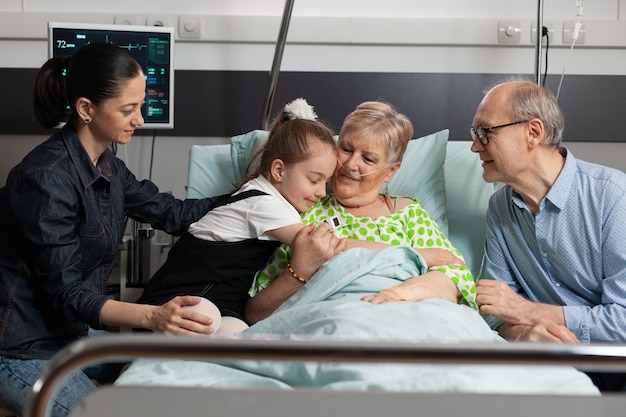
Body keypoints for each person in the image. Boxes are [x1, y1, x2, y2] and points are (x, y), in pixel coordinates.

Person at [0, 42, 233, 417]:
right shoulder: (44, 179)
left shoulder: (108, 164)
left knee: (170, 367)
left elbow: (173, 213)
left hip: (69, 333)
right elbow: (66, 293)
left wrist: (253, 194)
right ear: (86, 109)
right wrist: (154, 317)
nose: (139, 119)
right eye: (128, 109)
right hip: (21, 346)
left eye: (140, 106)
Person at [246, 100, 477, 324]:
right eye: (345, 149)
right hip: (326, 321)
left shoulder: (408, 213)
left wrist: (400, 293)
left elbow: (456, 278)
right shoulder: (303, 210)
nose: (351, 163)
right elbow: (256, 313)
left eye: (368, 158)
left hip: (404, 319)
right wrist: (299, 272)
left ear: (391, 171)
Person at [471, 78, 626, 392]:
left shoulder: (613, 197)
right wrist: (525, 335)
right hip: (542, 364)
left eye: (485, 132)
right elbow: (494, 314)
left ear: (533, 132)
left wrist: (527, 311)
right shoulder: (500, 209)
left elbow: (623, 323)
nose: (475, 145)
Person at [135, 98, 339, 332]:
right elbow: (317, 243)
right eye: (314, 180)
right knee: (205, 317)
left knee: (240, 338)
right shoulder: (262, 203)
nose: (322, 192)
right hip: (178, 299)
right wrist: (386, 248)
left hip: (225, 304)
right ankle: (138, 360)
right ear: (279, 170)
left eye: (326, 182)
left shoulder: (278, 202)